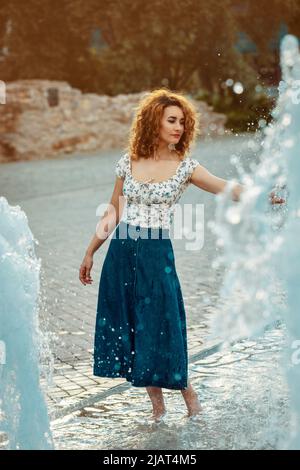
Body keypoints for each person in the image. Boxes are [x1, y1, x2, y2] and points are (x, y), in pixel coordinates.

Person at [79, 88, 285, 423]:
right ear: (153, 122)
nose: (179, 127)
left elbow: (226, 187)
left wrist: (265, 195)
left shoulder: (186, 166)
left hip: (156, 254)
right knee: (135, 327)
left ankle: (192, 404)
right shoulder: (128, 161)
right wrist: (90, 251)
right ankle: (157, 411)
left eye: (182, 122)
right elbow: (113, 212)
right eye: (171, 120)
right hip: (122, 253)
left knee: (163, 324)